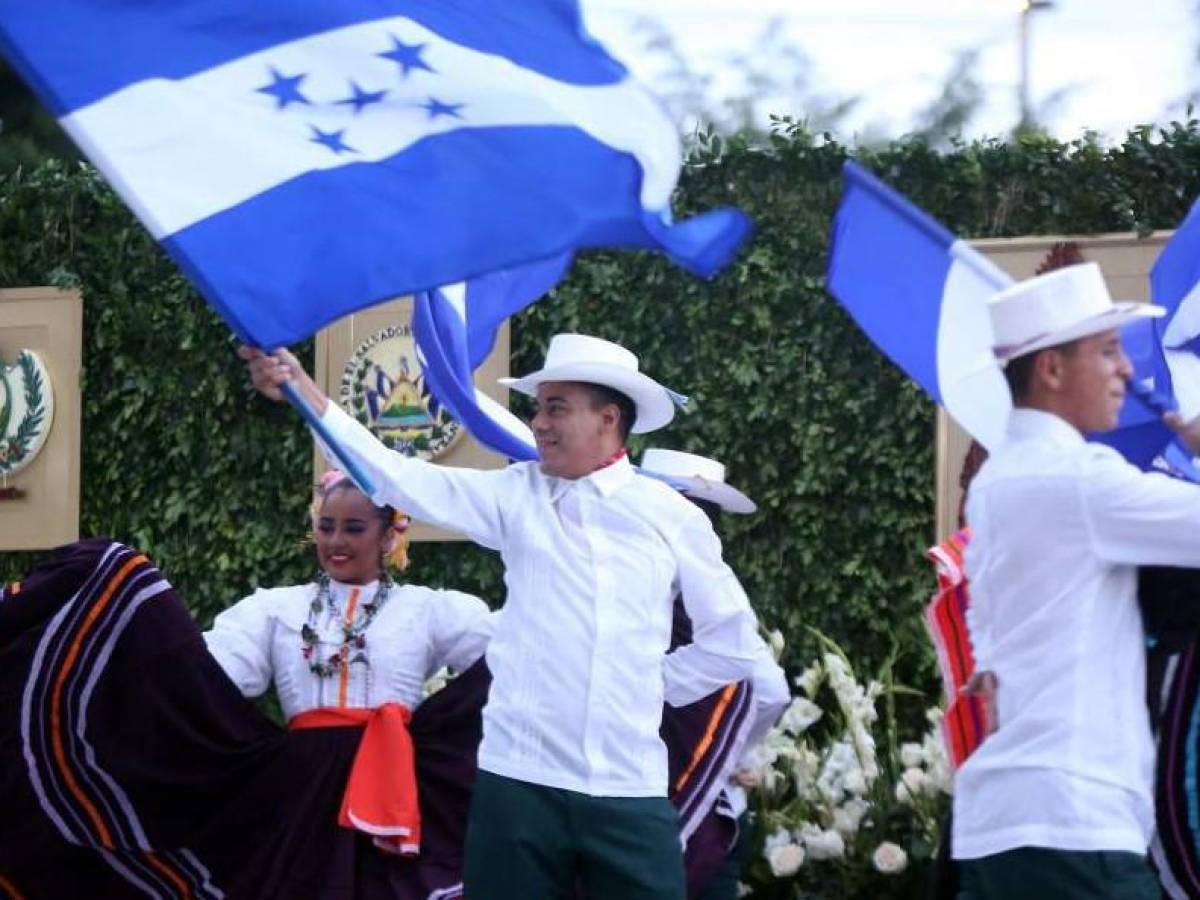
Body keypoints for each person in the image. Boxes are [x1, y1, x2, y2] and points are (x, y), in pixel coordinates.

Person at [241, 332, 769, 899]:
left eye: (556, 407)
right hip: (515, 784)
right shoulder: (516, 495)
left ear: (608, 418)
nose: (538, 422)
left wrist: (647, 686)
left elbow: (733, 642)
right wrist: (306, 394)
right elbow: (398, 478)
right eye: (538, 407)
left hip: (629, 786)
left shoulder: (670, 516)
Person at [952, 261, 1200, 899]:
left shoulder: (996, 481)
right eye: (1110, 350)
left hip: (1002, 826)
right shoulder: (1082, 480)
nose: (1127, 370)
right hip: (1074, 825)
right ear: (1051, 369)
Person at [639, 447, 790, 900]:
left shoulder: (638, 582)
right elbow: (770, 692)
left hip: (651, 800)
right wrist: (728, 752)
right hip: (707, 803)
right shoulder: (716, 589)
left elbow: (769, 689)